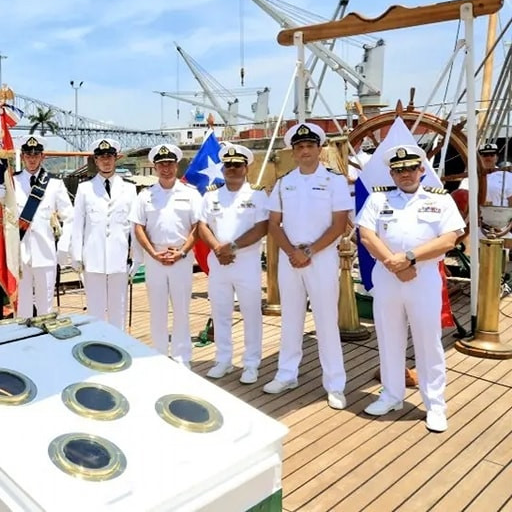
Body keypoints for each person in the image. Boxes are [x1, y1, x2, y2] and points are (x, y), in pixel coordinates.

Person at [356, 144, 464, 432]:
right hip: (388, 276)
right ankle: (391, 394)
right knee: (388, 338)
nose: (405, 174)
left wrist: (409, 258)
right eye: (399, 170)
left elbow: (450, 238)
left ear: (422, 170)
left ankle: (435, 404)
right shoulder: (379, 200)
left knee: (428, 343)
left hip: (423, 277)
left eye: (411, 168)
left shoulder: (439, 200)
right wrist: (394, 263)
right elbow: (366, 235)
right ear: (391, 173)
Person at [264, 122, 352, 409]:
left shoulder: (334, 180)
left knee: (326, 321)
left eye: (310, 146)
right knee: (291, 318)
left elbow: (339, 224)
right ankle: (287, 373)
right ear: (293, 151)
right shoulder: (283, 182)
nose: (305, 151)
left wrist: (310, 251)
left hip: (321, 257)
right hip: (291, 258)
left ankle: (335, 384)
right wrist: (293, 252)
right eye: (299, 147)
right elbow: (273, 224)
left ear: (319, 148)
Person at [196, 144, 269, 384]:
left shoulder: (257, 195)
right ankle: (224, 360)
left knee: (251, 314)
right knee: (221, 312)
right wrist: (218, 248)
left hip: (246, 263)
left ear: (246, 168)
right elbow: (202, 226)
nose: (232, 169)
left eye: (237, 165)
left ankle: (251, 363)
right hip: (218, 263)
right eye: (228, 165)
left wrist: (232, 247)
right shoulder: (211, 195)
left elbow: (261, 227)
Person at [130, 143, 200, 367]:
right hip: (155, 258)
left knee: (181, 309)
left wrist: (181, 252)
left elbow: (198, 226)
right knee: (157, 310)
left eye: (170, 163)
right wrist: (152, 253)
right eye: (161, 164)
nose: (166, 168)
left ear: (176, 165)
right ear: (154, 167)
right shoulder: (145, 196)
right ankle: (159, 356)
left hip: (181, 257)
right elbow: (138, 227)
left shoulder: (190, 194)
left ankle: (182, 358)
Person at [0, 135, 73, 319]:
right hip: (19, 256)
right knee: (21, 311)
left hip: (45, 254)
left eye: (36, 154)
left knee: (45, 309)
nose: (32, 158)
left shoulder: (55, 185)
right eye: (28, 154)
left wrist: (63, 246)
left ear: (43, 156)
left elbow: (70, 217)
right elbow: (1, 218)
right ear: (22, 156)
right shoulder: (11, 182)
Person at [67, 138, 137, 329]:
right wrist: (76, 256)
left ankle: (120, 349)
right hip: (93, 259)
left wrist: (136, 258)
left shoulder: (129, 189)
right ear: (95, 161)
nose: (106, 161)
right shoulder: (84, 189)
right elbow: (78, 224)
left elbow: (134, 227)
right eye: (101, 157)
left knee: (118, 311)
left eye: (109, 157)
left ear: (116, 158)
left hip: (120, 259)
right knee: (94, 314)